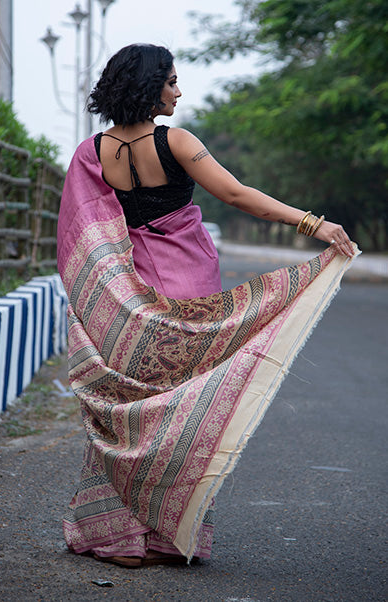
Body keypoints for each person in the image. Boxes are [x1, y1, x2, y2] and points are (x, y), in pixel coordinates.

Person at [57, 44, 356, 568]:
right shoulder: (176, 142)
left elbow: (80, 235)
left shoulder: (91, 152)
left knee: (134, 417)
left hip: (128, 299)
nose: (178, 91)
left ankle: (120, 538)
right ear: (149, 87)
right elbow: (237, 195)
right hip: (189, 289)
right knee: (185, 414)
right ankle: (170, 536)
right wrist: (314, 224)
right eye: (171, 81)